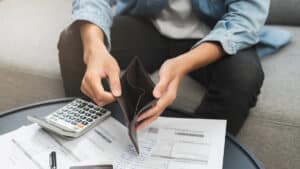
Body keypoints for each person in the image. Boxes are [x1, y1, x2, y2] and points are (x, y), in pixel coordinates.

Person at [58, 0, 270, 135]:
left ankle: (197, 155)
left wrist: (183, 63)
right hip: (150, 26)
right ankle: (99, 137)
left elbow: (245, 20)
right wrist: (95, 48)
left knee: (243, 77)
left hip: (213, 35)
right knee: (74, 40)